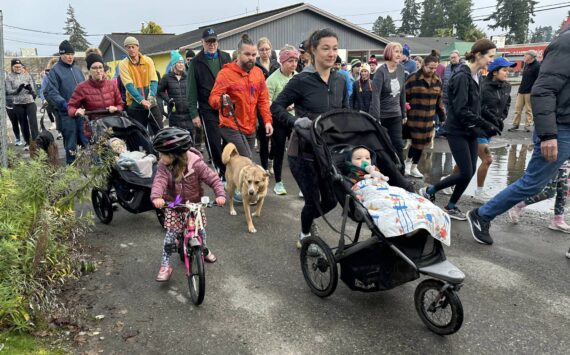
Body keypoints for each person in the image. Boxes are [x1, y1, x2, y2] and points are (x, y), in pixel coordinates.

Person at [467, 27, 570, 246]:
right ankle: (482, 214)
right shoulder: (566, 43)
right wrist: (548, 134)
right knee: (533, 183)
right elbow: (543, 89)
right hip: (560, 128)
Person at [271, 28, 348, 248]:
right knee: (313, 201)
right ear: (313, 50)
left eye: (334, 48)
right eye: (325, 48)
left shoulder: (340, 80)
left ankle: (309, 219)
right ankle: (304, 235)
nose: (331, 53)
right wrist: (294, 121)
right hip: (302, 152)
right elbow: (276, 106)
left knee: (332, 200)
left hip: (329, 152)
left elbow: (345, 114)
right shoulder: (301, 80)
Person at [419, 39, 499, 220]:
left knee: (469, 172)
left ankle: (451, 205)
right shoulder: (462, 76)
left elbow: (476, 105)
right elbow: (461, 109)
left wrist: (491, 120)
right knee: (464, 171)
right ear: (478, 55)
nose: (491, 60)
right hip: (457, 130)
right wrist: (484, 125)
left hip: (470, 130)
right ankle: (429, 190)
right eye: (490, 56)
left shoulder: (477, 75)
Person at [150, 127, 226, 281]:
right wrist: (157, 197)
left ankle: (203, 249)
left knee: (201, 231)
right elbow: (159, 182)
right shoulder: (164, 167)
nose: (160, 157)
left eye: (163, 154)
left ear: (175, 155)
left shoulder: (196, 163)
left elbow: (213, 179)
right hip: (175, 203)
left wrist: (220, 194)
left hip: (194, 204)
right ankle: (165, 265)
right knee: (171, 235)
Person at [342, 146, 450, 243]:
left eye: (367, 158)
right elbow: (357, 191)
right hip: (371, 192)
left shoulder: (375, 171)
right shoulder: (351, 175)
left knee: (411, 199)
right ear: (349, 162)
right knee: (390, 206)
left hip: (386, 190)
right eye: (358, 158)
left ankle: (420, 222)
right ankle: (408, 225)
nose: (364, 161)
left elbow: (384, 183)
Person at [209, 34, 273, 159]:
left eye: (254, 55)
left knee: (237, 162)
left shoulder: (258, 73)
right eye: (247, 54)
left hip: (250, 127)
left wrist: (267, 121)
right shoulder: (226, 74)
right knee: (247, 159)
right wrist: (222, 101)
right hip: (231, 126)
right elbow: (213, 98)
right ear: (238, 53)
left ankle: (226, 177)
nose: (251, 58)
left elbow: (263, 100)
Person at [187, 27, 232, 178]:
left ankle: (228, 169)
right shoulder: (195, 62)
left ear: (217, 42)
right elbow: (191, 89)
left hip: (226, 107)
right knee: (213, 142)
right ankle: (221, 172)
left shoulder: (226, 57)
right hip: (207, 108)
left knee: (229, 140)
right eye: (208, 42)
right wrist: (194, 113)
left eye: (214, 41)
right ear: (202, 42)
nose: (211, 44)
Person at [472, 57, 516, 202]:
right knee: (488, 159)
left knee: (467, 163)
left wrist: (501, 118)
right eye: (504, 70)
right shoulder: (483, 86)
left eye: (508, 70)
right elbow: (481, 108)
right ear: (495, 72)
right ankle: (478, 193)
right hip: (480, 128)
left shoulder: (507, 87)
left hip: (492, 128)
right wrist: (493, 120)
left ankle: (447, 181)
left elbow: (507, 104)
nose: (507, 73)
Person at [403, 51, 446, 179]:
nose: (433, 70)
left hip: (428, 119)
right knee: (416, 142)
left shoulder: (437, 80)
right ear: (423, 65)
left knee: (422, 144)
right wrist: (404, 112)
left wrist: (443, 117)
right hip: (414, 118)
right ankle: (407, 163)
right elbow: (404, 98)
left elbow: (440, 102)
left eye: (435, 68)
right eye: (430, 67)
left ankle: (414, 166)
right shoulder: (412, 78)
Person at [44, 40, 87, 163]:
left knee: (86, 140)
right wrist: (66, 105)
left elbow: (85, 88)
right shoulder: (55, 71)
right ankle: (71, 169)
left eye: (72, 54)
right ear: (60, 55)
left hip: (82, 112)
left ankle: (94, 168)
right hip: (66, 113)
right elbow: (52, 92)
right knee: (70, 143)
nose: (70, 57)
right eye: (66, 54)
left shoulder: (77, 69)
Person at [266, 45, 300, 195]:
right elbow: (265, 101)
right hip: (278, 120)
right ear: (282, 62)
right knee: (279, 149)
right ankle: (279, 182)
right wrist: (281, 107)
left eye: (295, 61)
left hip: (294, 120)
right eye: (290, 61)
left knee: (298, 152)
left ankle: (302, 184)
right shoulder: (273, 79)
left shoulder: (298, 77)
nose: (293, 64)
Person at [369, 42, 408, 169]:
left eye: (400, 52)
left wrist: (404, 113)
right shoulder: (381, 72)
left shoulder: (401, 69)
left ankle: (400, 172)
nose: (399, 54)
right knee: (382, 146)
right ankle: (383, 171)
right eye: (396, 51)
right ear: (389, 53)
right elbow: (375, 97)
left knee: (398, 144)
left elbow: (402, 92)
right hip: (381, 116)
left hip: (395, 114)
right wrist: (376, 118)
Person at [67, 53, 124, 138]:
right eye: (94, 68)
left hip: (114, 124)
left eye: (100, 67)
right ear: (89, 70)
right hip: (94, 127)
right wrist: (76, 111)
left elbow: (120, 104)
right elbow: (71, 107)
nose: (98, 70)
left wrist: (116, 108)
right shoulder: (81, 87)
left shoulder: (112, 85)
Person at [508, 162, 570, 233]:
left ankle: (558, 220)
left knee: (563, 191)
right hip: (552, 164)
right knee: (548, 192)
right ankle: (518, 205)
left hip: (563, 166)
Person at [118, 36, 162, 135]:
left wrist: (150, 97)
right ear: (126, 49)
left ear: (138, 47)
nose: (131, 49)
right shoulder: (123, 64)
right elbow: (128, 85)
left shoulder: (148, 60)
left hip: (151, 104)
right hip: (135, 106)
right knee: (140, 135)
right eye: (128, 47)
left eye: (133, 46)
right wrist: (141, 100)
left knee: (160, 132)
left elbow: (154, 80)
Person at [255, 37, 280, 172]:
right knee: (264, 139)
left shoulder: (276, 65)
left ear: (271, 50)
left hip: (275, 105)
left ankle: (271, 159)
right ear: (258, 51)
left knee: (276, 138)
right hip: (260, 106)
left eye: (267, 49)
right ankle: (264, 167)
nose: (264, 52)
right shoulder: (255, 65)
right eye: (262, 50)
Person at [5, 58, 38, 151]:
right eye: (16, 67)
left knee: (33, 123)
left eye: (20, 66)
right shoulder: (9, 77)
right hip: (18, 104)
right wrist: (17, 90)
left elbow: (34, 90)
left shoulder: (27, 75)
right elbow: (9, 91)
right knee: (23, 124)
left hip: (30, 102)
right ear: (12, 67)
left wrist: (30, 90)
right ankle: (28, 142)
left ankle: (36, 141)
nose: (18, 68)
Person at [157, 51, 193, 131]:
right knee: (177, 139)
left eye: (182, 62)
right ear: (174, 64)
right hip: (174, 114)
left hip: (188, 114)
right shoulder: (167, 77)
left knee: (189, 138)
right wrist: (168, 100)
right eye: (178, 62)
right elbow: (160, 91)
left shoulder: (188, 76)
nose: (181, 64)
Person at [508, 50, 541, 132]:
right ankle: (515, 125)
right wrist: (519, 90)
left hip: (530, 92)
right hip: (521, 91)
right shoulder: (526, 65)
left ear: (530, 56)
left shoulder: (537, 66)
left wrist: (535, 90)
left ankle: (527, 126)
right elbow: (523, 79)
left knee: (528, 110)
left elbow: (538, 80)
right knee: (517, 109)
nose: (524, 57)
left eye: (525, 55)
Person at [39, 58, 59, 132]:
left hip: (62, 99)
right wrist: (43, 99)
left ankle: (60, 130)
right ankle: (54, 125)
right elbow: (42, 89)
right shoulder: (47, 76)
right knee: (51, 112)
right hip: (51, 99)